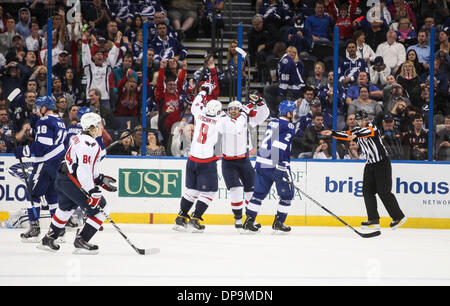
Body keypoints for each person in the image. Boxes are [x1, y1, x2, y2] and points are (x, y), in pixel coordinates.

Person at [37, 112, 117, 254]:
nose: (101, 128)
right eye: (99, 125)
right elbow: (83, 170)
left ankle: (48, 239)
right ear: (92, 127)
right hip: (74, 182)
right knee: (102, 210)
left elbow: (82, 167)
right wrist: (92, 191)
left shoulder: (78, 138)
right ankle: (82, 240)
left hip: (63, 180)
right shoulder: (90, 144)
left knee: (65, 210)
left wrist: (100, 178)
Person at [322, 110, 407, 231]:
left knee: (384, 192)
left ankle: (399, 217)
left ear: (367, 119)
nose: (362, 122)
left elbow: (366, 132)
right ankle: (373, 219)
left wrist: (356, 135)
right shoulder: (357, 130)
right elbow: (346, 134)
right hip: (370, 164)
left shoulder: (372, 127)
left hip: (382, 163)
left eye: (364, 119)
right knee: (367, 191)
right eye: (359, 120)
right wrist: (332, 133)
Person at [12, 96, 67, 242]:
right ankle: (59, 231)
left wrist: (23, 151)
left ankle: (34, 228)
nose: (36, 110)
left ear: (45, 107)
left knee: (32, 195)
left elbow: (42, 147)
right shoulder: (60, 121)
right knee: (52, 197)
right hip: (56, 165)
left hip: (43, 164)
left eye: (38, 107)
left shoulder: (45, 120)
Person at [173, 88, 224, 233]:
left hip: (192, 158)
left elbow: (196, 103)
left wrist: (203, 92)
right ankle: (195, 219)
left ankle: (181, 217)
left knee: (192, 190)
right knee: (210, 192)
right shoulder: (219, 120)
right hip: (206, 161)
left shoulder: (199, 114)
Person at [244, 100, 297, 234]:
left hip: (262, 162)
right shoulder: (289, 126)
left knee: (258, 195)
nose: (295, 113)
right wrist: (281, 166)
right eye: (294, 110)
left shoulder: (272, 122)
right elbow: (279, 146)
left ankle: (249, 221)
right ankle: (279, 223)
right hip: (277, 164)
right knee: (287, 195)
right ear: (289, 112)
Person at [220, 92, 269, 232]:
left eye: (236, 109)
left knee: (251, 192)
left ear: (239, 110)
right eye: (231, 109)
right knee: (236, 190)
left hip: (244, 160)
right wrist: (245, 111)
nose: (233, 111)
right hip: (228, 163)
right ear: (228, 111)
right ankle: (237, 220)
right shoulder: (224, 120)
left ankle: (250, 219)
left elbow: (263, 115)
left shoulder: (245, 118)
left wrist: (260, 102)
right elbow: (235, 128)